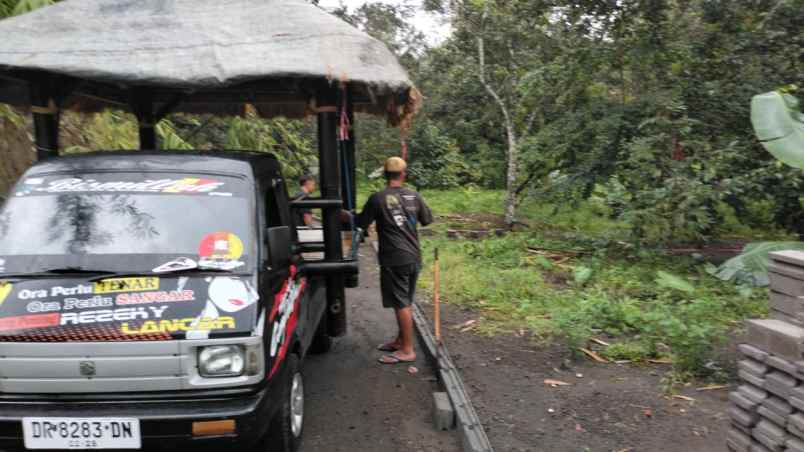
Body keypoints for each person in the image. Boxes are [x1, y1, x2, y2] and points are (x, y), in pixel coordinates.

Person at [353, 156, 433, 364]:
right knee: (405, 300)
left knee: (401, 303)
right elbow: (427, 220)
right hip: (414, 256)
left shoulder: (377, 198)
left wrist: (347, 216)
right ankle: (400, 341)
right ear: (403, 174)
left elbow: (361, 222)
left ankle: (407, 350)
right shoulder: (414, 196)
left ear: (385, 175)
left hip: (395, 258)